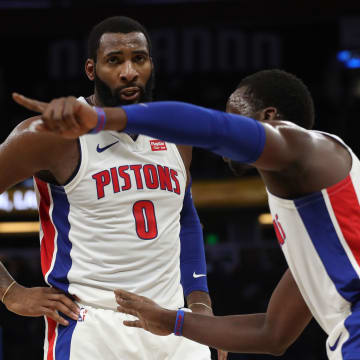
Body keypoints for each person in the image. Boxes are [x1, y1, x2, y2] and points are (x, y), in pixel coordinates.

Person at [13, 68, 360, 359]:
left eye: (233, 114)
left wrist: (104, 117)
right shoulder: (312, 201)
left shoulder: (301, 145)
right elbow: (272, 333)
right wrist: (172, 320)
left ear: (270, 118)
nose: (227, 128)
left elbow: (209, 129)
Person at [0, 16, 225, 360]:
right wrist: (10, 291)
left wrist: (200, 303)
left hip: (173, 322)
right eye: (114, 60)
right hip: (93, 326)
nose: (129, 72)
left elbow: (185, 218)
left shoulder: (177, 131)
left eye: (139, 59)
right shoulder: (54, 136)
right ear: (91, 69)